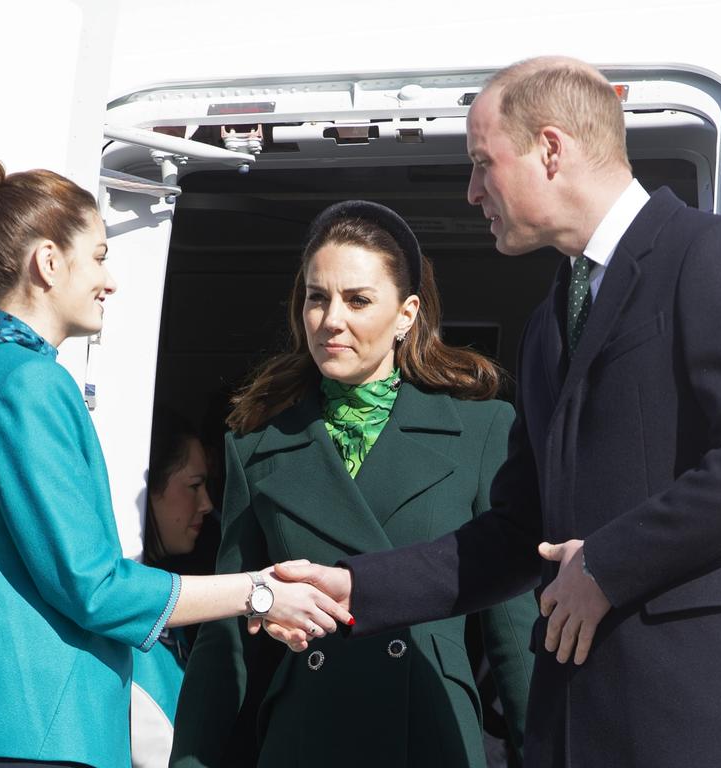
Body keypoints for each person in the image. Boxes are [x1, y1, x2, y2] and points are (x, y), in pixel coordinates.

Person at [269, 57, 721, 768]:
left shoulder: (713, 253)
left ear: (550, 148)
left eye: (483, 163)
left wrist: (606, 563)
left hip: (713, 720)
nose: (472, 188)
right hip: (588, 727)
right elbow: (516, 532)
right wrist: (359, 585)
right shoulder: (547, 324)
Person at [0, 157, 350, 768]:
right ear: (48, 262)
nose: (110, 280)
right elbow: (92, 586)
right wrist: (257, 593)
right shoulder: (29, 382)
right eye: (97, 256)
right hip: (24, 738)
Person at [169, 201, 536, 768]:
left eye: (358, 300)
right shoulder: (257, 442)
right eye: (317, 297)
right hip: (305, 737)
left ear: (406, 314)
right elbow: (230, 643)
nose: (330, 319)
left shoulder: (482, 430)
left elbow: (514, 629)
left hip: (428, 735)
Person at [131, 408, 220, 768]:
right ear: (150, 490)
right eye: (194, 486)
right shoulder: (121, 600)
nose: (207, 504)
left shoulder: (169, 586)